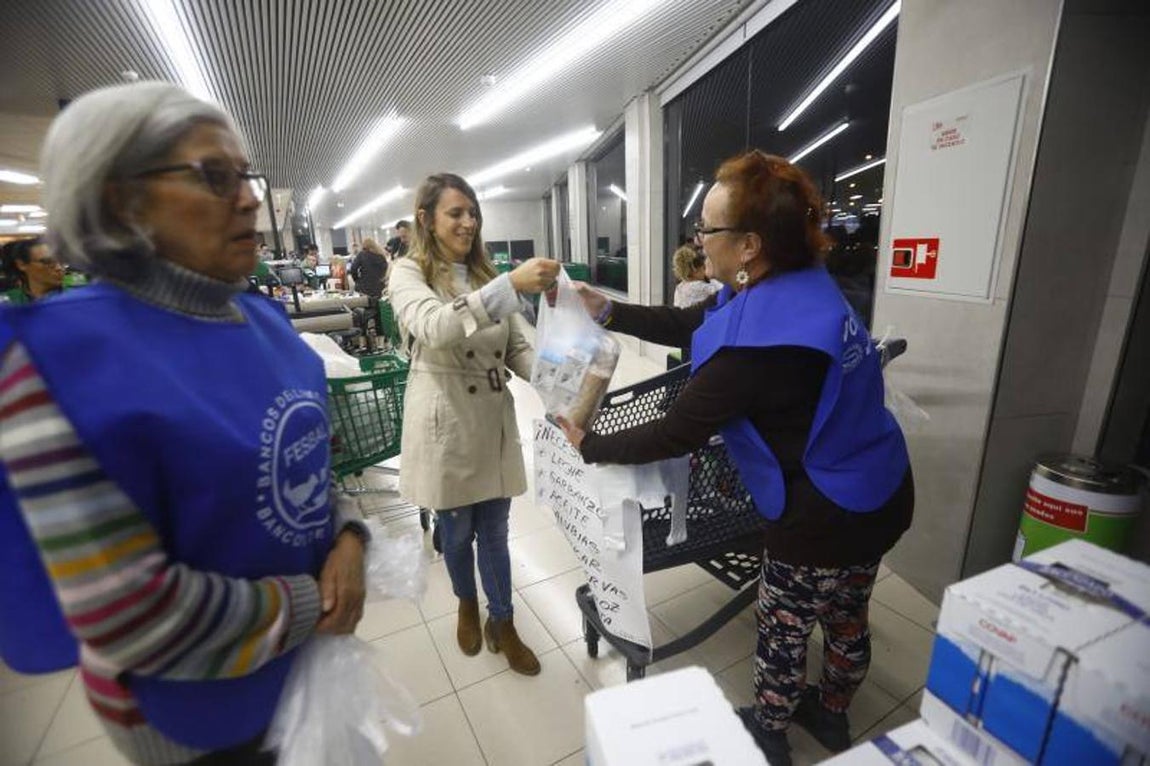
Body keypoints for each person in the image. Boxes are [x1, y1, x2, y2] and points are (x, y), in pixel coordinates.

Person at [0, 81, 368, 765]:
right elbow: (128, 613)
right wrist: (313, 604)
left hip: (304, 663)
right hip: (192, 719)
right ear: (121, 200)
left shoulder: (264, 322)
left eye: (246, 176)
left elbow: (308, 463)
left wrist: (350, 536)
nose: (249, 199)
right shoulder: (51, 365)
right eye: (213, 176)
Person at [554, 150, 914, 766]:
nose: (698, 238)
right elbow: (692, 322)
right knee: (848, 613)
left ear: (749, 245)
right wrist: (607, 309)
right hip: (882, 484)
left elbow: (676, 433)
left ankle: (769, 732)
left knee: (784, 626)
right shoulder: (799, 284)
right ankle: (832, 715)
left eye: (708, 228)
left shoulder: (756, 348)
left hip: (822, 512)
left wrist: (589, 444)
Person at [388, 173, 560, 676]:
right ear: (426, 220)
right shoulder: (408, 274)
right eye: (456, 213)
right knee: (458, 534)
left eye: (473, 213)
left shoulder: (487, 274)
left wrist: (560, 385)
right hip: (446, 422)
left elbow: (517, 347)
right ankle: (467, 602)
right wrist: (510, 286)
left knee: (496, 532)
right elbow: (436, 327)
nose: (469, 222)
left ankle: (502, 621)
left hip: (492, 419)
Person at [1, 237, 65, 303]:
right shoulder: (8, 301)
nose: (59, 268)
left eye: (61, 261)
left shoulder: (70, 298)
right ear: (22, 265)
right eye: (47, 262)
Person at [671, 244, 721, 309]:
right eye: (703, 268)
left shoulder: (679, 288)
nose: (705, 272)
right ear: (695, 270)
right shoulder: (700, 287)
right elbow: (723, 290)